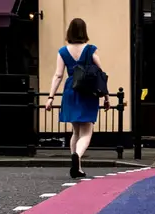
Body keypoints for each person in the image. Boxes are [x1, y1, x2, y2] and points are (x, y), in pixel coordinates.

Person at [46, 18, 110, 179]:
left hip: (70, 90)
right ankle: (78, 156)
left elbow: (58, 75)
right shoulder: (91, 50)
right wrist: (106, 97)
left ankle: (77, 165)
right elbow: (101, 75)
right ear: (84, 31)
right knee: (87, 131)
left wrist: (50, 97)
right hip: (87, 92)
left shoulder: (63, 51)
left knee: (75, 131)